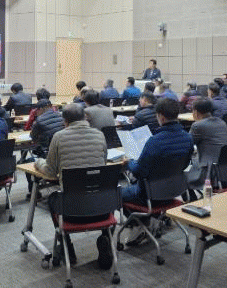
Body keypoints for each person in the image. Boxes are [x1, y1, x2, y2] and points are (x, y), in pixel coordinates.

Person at [34, 104, 112, 269]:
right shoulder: (99, 135)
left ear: (65, 121)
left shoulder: (59, 137)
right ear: (85, 118)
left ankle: (67, 246)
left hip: (71, 212)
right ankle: (105, 236)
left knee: (52, 198)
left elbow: (49, 171)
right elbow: (103, 165)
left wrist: (38, 162)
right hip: (102, 208)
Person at [121, 98, 193, 204]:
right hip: (176, 190)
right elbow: (185, 165)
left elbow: (139, 172)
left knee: (115, 194)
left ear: (161, 117)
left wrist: (129, 162)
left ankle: (136, 215)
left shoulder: (155, 141)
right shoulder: (188, 138)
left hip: (149, 194)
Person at [186, 98, 227, 190]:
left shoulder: (197, 126)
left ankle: (193, 198)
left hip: (209, 172)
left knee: (180, 179)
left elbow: (187, 145)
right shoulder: (222, 122)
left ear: (196, 112)